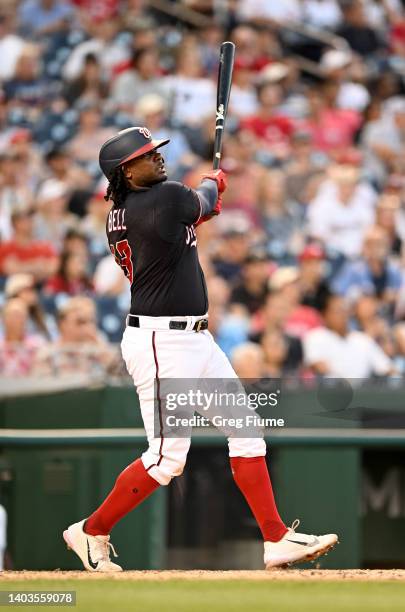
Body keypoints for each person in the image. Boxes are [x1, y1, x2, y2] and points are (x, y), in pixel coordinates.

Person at [63, 126, 337, 572]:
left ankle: (276, 539)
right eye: (147, 156)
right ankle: (91, 531)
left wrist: (204, 200)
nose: (159, 158)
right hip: (161, 341)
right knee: (167, 457)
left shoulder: (132, 209)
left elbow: (186, 216)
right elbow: (201, 202)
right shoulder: (166, 198)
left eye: (156, 152)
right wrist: (213, 184)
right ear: (125, 173)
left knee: (246, 432)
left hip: (193, 339)